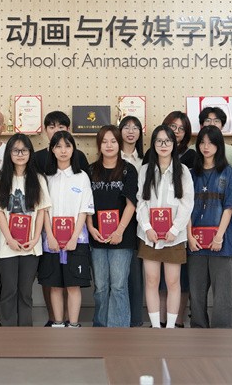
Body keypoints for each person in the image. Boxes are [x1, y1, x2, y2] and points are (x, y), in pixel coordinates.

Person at [0, 134, 50, 326]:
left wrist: (35, 238)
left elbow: (41, 211)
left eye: (24, 150)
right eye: (16, 150)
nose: (20, 154)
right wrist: (9, 238)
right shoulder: (0, 180)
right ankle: (8, 331)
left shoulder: (38, 179)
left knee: (25, 292)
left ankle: (25, 332)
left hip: (31, 245)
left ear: (30, 153)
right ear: (9, 153)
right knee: (9, 290)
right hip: (7, 245)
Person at [136, 125, 194, 329]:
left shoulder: (183, 171)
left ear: (174, 144)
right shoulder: (145, 170)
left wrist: (174, 230)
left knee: (173, 282)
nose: (163, 145)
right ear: (153, 144)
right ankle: (155, 327)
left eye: (168, 141)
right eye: (159, 141)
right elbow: (141, 202)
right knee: (151, 281)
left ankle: (170, 328)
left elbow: (187, 203)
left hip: (174, 237)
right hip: (149, 236)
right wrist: (147, 227)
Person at [186, 125, 232, 328]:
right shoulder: (190, 174)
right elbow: (185, 207)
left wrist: (219, 237)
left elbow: (230, 207)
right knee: (196, 292)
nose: (206, 147)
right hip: (195, 242)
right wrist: (189, 237)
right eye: (202, 142)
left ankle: (222, 332)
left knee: (223, 293)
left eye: (211, 143)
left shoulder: (228, 172)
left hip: (222, 242)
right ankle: (198, 329)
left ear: (219, 146)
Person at [37, 131, 94, 328]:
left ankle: (74, 325)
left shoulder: (82, 177)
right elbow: (43, 210)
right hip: (51, 241)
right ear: (52, 150)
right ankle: (58, 323)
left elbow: (84, 210)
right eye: (58, 146)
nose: (63, 150)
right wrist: (50, 236)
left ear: (73, 149)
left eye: (67, 146)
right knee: (54, 286)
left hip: (77, 241)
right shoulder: (46, 178)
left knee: (73, 285)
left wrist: (74, 237)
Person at [87, 126, 138, 328]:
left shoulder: (128, 170)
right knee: (100, 286)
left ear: (119, 143)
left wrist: (119, 230)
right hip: (97, 236)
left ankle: (119, 330)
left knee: (118, 286)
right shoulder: (91, 170)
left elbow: (131, 204)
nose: (109, 145)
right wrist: (90, 228)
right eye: (104, 141)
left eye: (113, 141)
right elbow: (86, 205)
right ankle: (100, 327)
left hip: (122, 237)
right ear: (99, 145)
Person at [119, 115, 146, 326]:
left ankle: (135, 321)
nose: (131, 131)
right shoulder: (111, 158)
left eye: (135, 127)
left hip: (141, 222)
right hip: (116, 222)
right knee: (118, 276)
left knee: (135, 275)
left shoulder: (145, 161)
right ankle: (118, 320)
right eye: (126, 127)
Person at [199, 106, 232, 171]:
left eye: (216, 121)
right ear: (201, 125)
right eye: (208, 120)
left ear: (222, 126)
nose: (212, 124)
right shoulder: (193, 150)